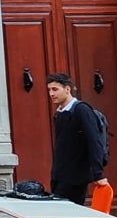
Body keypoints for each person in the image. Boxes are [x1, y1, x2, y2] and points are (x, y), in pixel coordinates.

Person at [47, 72, 109, 205]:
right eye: (49, 90)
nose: (51, 94)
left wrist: (98, 174)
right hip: (60, 175)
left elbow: (94, 141)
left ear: (67, 89)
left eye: (55, 89)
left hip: (76, 177)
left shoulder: (81, 110)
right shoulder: (59, 113)